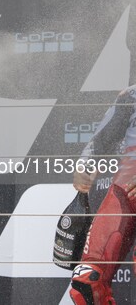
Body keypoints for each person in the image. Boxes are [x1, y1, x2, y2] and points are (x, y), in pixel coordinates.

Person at [70, 85, 136, 305]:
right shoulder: (131, 94)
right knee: (88, 282)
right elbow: (103, 137)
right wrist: (86, 164)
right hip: (123, 189)